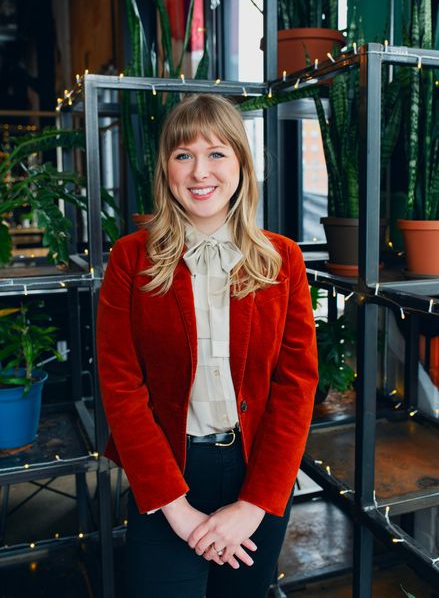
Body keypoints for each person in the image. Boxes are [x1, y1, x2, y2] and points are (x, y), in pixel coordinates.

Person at [96, 94, 318, 598]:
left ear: (241, 162)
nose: (201, 171)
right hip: (167, 471)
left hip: (256, 470)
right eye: (183, 155)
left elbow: (297, 386)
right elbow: (120, 385)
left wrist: (255, 504)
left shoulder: (283, 259)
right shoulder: (131, 258)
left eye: (217, 153)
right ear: (166, 169)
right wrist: (174, 507)